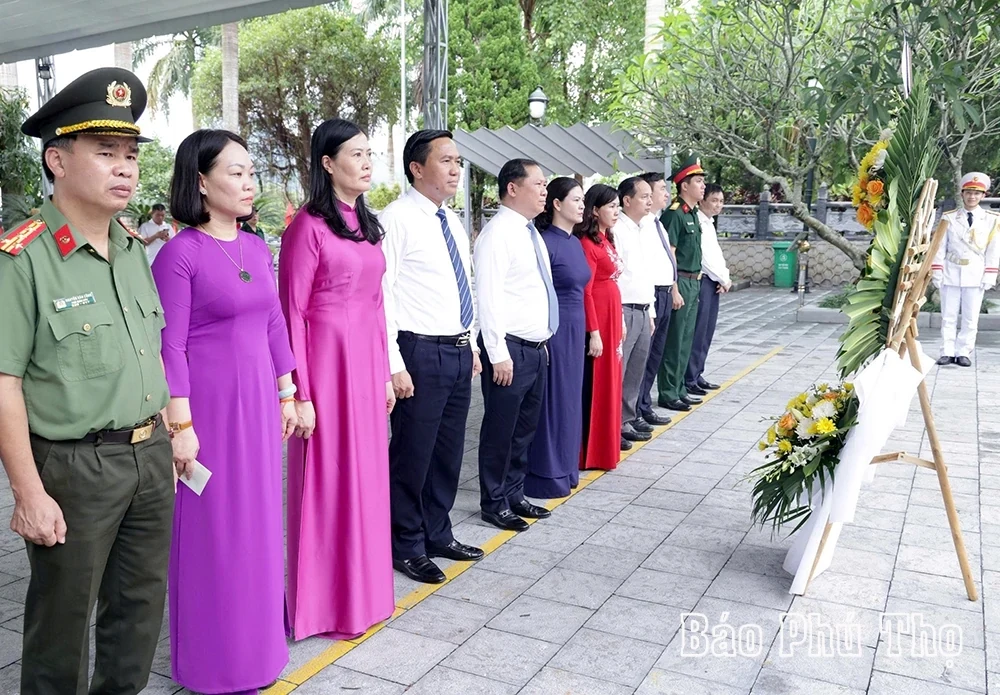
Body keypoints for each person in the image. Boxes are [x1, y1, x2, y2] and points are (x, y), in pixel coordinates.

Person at [0, 67, 174, 695]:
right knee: (62, 631)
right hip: (74, 468)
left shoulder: (131, 249)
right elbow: (3, 383)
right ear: (58, 159)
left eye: (130, 154)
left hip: (149, 458)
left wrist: (174, 433)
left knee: (137, 619)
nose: (124, 168)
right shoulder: (23, 258)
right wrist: (27, 492)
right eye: (105, 153)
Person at [153, 129, 297, 694]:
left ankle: (260, 655)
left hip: (258, 406)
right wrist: (180, 426)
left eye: (250, 171)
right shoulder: (179, 254)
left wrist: (288, 391)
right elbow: (171, 346)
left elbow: (272, 322)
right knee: (213, 535)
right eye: (235, 172)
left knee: (258, 530)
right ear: (201, 181)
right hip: (207, 415)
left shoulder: (256, 247)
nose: (248, 182)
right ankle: (212, 664)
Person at [279, 118, 396, 638]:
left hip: (365, 368)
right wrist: (300, 392)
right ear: (327, 164)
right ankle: (323, 604)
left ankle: (364, 594)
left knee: (367, 479)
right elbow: (291, 312)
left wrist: (388, 372)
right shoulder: (307, 226)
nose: (367, 162)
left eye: (370, 153)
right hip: (324, 367)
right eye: (356, 154)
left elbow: (375, 306)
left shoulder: (368, 227)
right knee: (327, 480)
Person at [380, 129, 484, 585]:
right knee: (412, 454)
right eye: (446, 160)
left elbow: (467, 285)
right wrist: (394, 363)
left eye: (458, 160)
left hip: (458, 349)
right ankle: (405, 543)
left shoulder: (452, 220)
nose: (456, 168)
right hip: (419, 351)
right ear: (417, 168)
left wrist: (473, 343)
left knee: (447, 452)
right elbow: (381, 296)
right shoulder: (395, 219)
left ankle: (437, 531)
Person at [474, 158, 557, 531]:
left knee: (524, 428)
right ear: (512, 188)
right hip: (509, 349)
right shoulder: (498, 234)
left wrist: (544, 339)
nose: (544, 190)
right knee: (500, 430)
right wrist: (498, 354)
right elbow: (487, 298)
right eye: (538, 184)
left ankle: (514, 493)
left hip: (535, 347)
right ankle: (493, 502)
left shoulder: (530, 231)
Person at [525, 177, 590, 498]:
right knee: (552, 400)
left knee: (570, 399)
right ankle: (546, 474)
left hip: (577, 328)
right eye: (576, 199)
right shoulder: (543, 242)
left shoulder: (575, 242)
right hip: (555, 330)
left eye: (582, 200)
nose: (582, 205)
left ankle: (567, 468)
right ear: (556, 204)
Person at [576, 183, 627, 463]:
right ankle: (592, 450)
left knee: (611, 380)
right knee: (597, 382)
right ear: (595, 211)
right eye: (611, 206)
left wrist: (619, 320)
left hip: (612, 314)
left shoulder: (607, 239)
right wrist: (594, 332)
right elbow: (586, 289)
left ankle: (607, 446)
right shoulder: (587, 243)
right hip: (598, 317)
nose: (616, 211)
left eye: (618, 206)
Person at [933, 172, 1000, 367]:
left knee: (971, 317)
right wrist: (937, 271)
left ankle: (964, 351)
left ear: (983, 196)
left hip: (975, 273)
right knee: (948, 315)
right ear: (962, 194)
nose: (972, 197)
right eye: (968, 192)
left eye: (976, 193)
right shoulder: (949, 218)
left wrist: (990, 275)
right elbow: (939, 247)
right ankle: (946, 351)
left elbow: (993, 250)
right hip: (951, 270)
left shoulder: (991, 219)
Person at [657, 153, 708, 412]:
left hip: (695, 281)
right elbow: (670, 254)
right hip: (681, 282)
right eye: (698, 181)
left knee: (687, 338)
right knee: (674, 341)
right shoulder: (675, 215)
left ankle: (679, 388)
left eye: (702, 181)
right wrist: (674, 288)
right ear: (684, 185)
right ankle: (667, 392)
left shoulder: (694, 214)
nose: (703, 186)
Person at [614, 177, 657, 445]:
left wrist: (650, 310)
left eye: (650, 195)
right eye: (643, 196)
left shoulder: (645, 228)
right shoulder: (617, 229)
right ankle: (613, 424)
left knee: (635, 370)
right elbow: (616, 276)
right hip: (625, 309)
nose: (649, 201)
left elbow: (646, 274)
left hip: (642, 308)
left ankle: (626, 420)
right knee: (620, 369)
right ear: (626, 200)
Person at [636, 171, 678, 428]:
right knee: (643, 356)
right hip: (650, 294)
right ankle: (637, 409)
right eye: (661, 189)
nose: (666, 194)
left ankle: (644, 404)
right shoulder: (640, 226)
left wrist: (673, 289)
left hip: (663, 292)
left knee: (655, 356)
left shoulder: (657, 223)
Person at [685, 183, 731, 394]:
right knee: (698, 330)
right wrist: (722, 278)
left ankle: (697, 372)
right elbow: (702, 258)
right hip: (703, 280)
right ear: (702, 200)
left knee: (707, 331)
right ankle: (690, 377)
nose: (717, 205)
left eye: (721, 201)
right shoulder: (697, 222)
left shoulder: (709, 223)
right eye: (714, 200)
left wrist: (724, 278)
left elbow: (717, 256)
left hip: (714, 281)